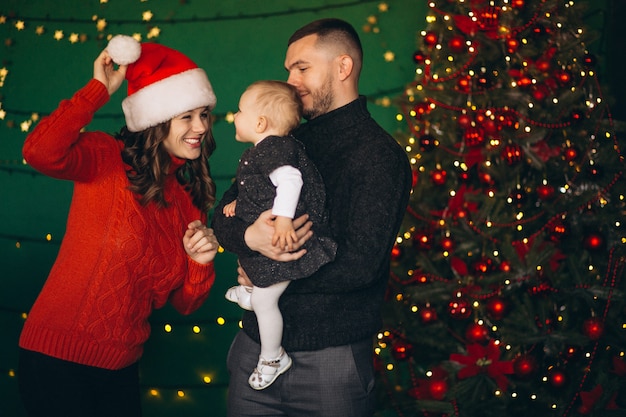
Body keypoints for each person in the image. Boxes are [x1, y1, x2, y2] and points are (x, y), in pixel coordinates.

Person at [212, 18, 412, 417]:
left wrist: (266, 273)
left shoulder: (378, 155)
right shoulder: (278, 141)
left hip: (330, 361)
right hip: (254, 350)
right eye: (288, 69)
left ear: (342, 67)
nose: (290, 79)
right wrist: (250, 239)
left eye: (301, 68)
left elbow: (360, 266)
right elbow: (222, 216)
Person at [18, 34, 219, 417]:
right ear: (157, 120)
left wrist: (200, 261)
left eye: (204, 114)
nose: (200, 127)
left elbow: (185, 303)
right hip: (57, 360)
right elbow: (39, 152)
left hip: (122, 368)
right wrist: (97, 91)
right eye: (187, 116)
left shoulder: (189, 201)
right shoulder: (106, 157)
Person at [221, 80, 337, 390]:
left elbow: (290, 181)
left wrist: (284, 220)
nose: (234, 115)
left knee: (266, 302)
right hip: (279, 242)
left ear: (259, 122)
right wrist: (238, 202)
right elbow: (263, 189)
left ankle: (273, 357)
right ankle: (257, 292)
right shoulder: (265, 151)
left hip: (296, 242)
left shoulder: (273, 147)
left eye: (240, 110)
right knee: (264, 288)